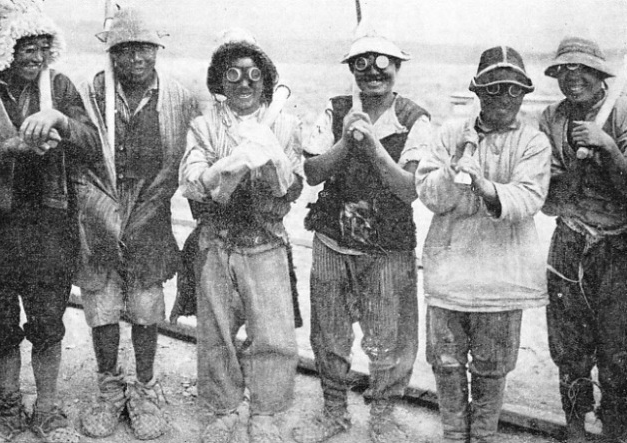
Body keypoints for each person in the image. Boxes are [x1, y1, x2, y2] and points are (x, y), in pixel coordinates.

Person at [292, 31, 431, 443]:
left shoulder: (414, 118)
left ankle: (383, 416)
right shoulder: (335, 110)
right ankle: (334, 411)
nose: (373, 73)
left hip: (388, 247)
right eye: (362, 64)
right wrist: (345, 139)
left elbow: (409, 188)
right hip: (334, 241)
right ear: (352, 70)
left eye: (383, 63)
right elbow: (313, 172)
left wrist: (371, 144)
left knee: (389, 337)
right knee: (329, 334)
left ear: (397, 69)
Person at [0, 1, 100, 442]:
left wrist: (62, 121)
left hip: (49, 223)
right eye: (24, 44)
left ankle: (46, 408)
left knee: (48, 319)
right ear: (4, 47)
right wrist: (12, 148)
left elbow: (93, 148)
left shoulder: (60, 88)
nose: (35, 55)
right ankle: (9, 405)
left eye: (42, 45)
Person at [75, 7, 199, 440]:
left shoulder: (178, 98)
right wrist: (99, 210)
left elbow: (195, 150)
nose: (136, 58)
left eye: (144, 48)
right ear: (112, 53)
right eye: (125, 50)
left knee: (146, 305)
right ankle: (109, 386)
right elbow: (78, 159)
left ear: (156, 50)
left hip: (150, 211)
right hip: (98, 211)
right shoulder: (89, 94)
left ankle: (145, 387)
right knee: (101, 304)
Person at [416, 46, 551, 443]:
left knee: (492, 367)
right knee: (445, 362)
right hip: (449, 274)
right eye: (493, 88)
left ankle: (485, 436)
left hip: (502, 277)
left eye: (512, 89)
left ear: (524, 94)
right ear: (477, 91)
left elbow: (529, 199)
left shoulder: (534, 142)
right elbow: (429, 196)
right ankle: (455, 436)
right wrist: (452, 168)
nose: (503, 98)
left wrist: (483, 185)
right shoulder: (450, 134)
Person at [179, 29, 303, 443]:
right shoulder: (204, 125)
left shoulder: (283, 123)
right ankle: (223, 407)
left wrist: (268, 161)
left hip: (266, 240)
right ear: (220, 81)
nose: (245, 82)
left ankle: (266, 412)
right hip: (217, 240)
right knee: (215, 332)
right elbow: (191, 179)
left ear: (267, 80)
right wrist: (223, 169)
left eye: (254, 74)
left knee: (273, 335)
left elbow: (293, 185)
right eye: (233, 74)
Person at [539, 37, 627, 443]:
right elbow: (549, 202)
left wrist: (608, 147)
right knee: (569, 351)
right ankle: (574, 430)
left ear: (600, 74)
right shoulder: (551, 119)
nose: (573, 80)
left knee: (618, 354)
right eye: (565, 72)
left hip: (618, 246)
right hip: (570, 241)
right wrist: (574, 164)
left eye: (583, 71)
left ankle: (614, 432)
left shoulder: (623, 112)